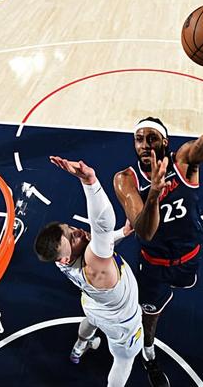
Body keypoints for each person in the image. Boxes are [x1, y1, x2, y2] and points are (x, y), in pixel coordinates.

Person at [113, 36, 203, 387]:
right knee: (151, 314)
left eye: (151, 138)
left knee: (183, 287)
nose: (144, 144)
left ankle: (157, 320)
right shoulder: (126, 180)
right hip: (154, 264)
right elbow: (145, 232)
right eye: (139, 139)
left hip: (189, 256)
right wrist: (154, 194)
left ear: (165, 142)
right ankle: (148, 353)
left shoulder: (185, 161)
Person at [33, 156, 143, 387]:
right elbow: (102, 226)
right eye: (72, 238)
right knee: (124, 360)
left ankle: (79, 346)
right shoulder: (93, 262)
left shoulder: (60, 260)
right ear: (65, 257)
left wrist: (121, 233)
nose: (78, 232)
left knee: (90, 320)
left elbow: (102, 241)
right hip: (121, 322)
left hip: (93, 305)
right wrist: (90, 182)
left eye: (70, 228)